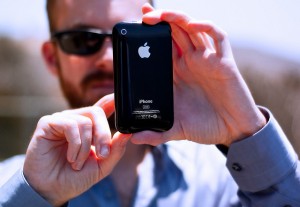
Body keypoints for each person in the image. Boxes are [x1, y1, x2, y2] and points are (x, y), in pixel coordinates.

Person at [0, 0, 300, 206]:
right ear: (53, 58)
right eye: (82, 40)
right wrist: (34, 197)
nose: (108, 58)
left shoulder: (227, 180)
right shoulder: (13, 183)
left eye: (128, 41)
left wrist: (245, 128)